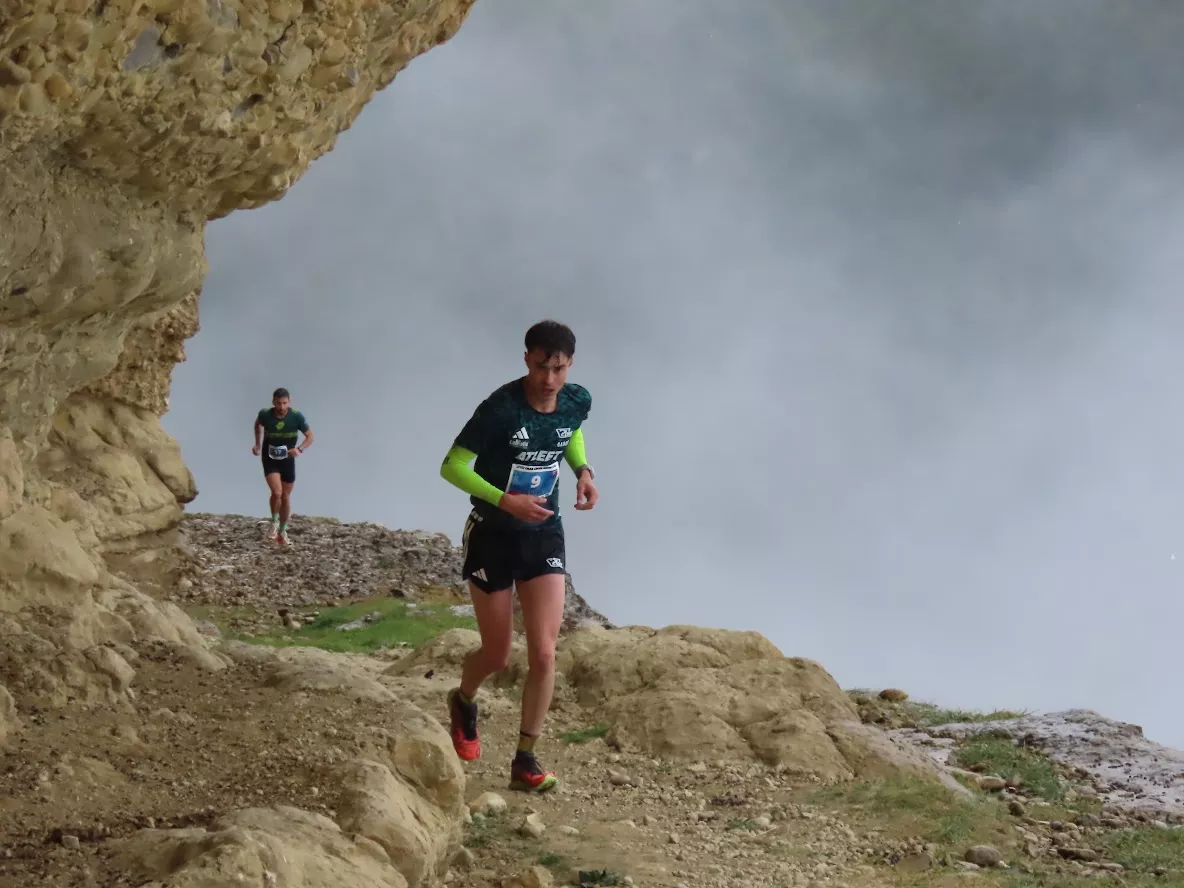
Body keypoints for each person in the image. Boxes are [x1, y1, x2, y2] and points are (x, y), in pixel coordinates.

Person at [439, 320, 598, 793]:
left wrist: (583, 470)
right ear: (526, 358)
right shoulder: (501, 408)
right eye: (540, 366)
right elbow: (452, 466)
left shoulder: (576, 400)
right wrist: (505, 501)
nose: (549, 378)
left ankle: (525, 760)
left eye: (559, 369)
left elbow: (567, 433)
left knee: (545, 653)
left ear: (570, 365)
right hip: (493, 534)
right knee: (497, 653)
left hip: (544, 533)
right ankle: (463, 700)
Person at [252, 387, 314, 546]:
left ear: (289, 402)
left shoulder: (296, 416)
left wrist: (299, 449)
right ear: (273, 402)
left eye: (285, 403)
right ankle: (274, 522)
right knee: (277, 492)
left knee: (285, 496)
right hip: (270, 458)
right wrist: (257, 444)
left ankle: (283, 530)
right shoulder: (265, 414)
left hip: (287, 459)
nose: (281, 407)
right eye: (279, 403)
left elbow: (310, 436)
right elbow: (257, 425)